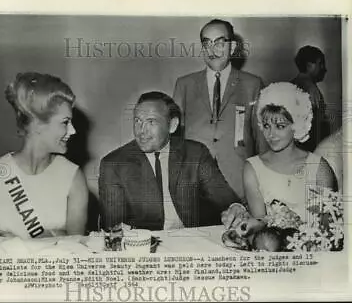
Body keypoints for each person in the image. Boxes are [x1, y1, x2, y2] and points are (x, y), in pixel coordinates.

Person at [0, 72, 89, 242]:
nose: (73, 131)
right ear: (37, 124)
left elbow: (77, 251)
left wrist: (13, 241)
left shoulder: (73, 177)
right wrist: (55, 236)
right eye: (65, 122)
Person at [99, 91, 240, 231]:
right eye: (137, 121)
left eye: (151, 122)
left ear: (172, 125)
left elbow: (225, 198)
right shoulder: (113, 165)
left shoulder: (196, 153)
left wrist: (235, 208)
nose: (141, 131)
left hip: (194, 242)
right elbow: (114, 226)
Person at [222, 82, 337, 236]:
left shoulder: (318, 167)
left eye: (280, 126)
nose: (271, 134)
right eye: (266, 125)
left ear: (297, 125)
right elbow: (260, 222)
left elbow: (327, 226)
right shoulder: (253, 167)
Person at [173, 19, 266, 199]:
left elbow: (262, 141)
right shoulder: (184, 84)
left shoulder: (252, 84)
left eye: (219, 43)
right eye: (207, 43)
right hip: (194, 184)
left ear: (232, 47)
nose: (212, 50)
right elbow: (175, 139)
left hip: (238, 184)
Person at [291, 45, 330, 152]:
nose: (324, 68)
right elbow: (314, 127)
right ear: (309, 65)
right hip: (309, 150)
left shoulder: (291, 85)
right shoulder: (310, 89)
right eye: (320, 63)